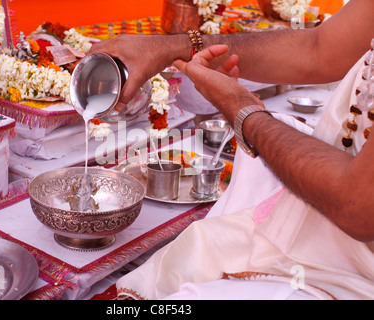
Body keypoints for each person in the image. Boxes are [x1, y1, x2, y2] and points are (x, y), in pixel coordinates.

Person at [89, 0, 374, 299]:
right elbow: (320, 48)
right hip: (314, 230)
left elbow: (357, 206)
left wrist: (243, 112)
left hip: (349, 270)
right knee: (190, 252)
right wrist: (173, 47)